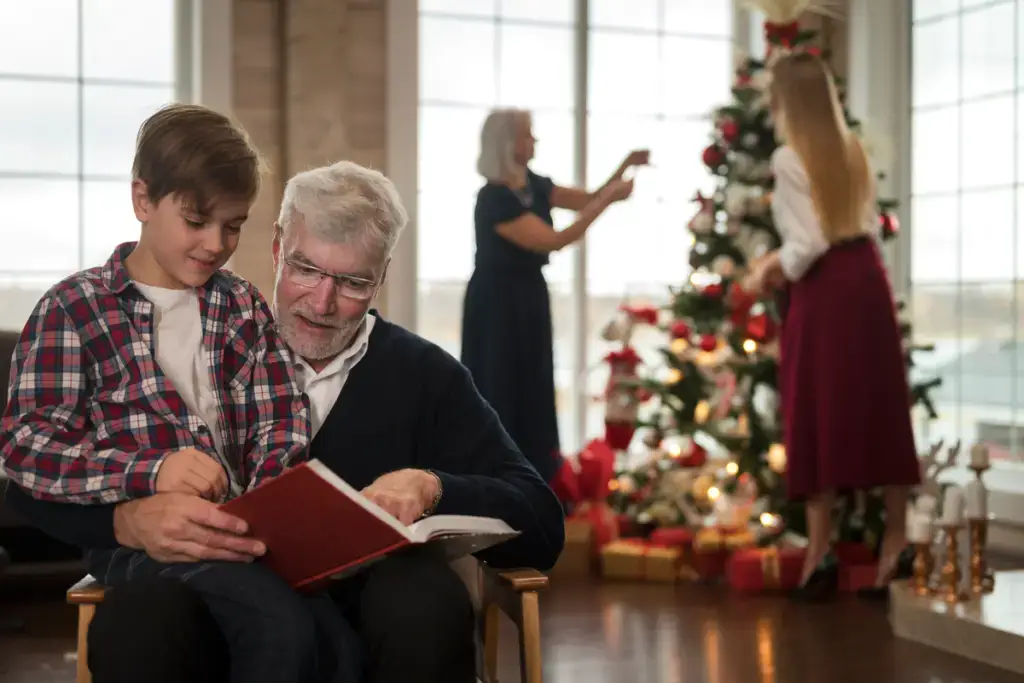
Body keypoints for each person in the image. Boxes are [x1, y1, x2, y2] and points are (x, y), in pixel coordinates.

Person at [4, 160, 566, 683]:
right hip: (206, 600)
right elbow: (29, 488)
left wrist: (433, 486)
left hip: (369, 610)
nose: (321, 302)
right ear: (276, 248)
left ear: (382, 277)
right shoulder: (212, 340)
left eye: (352, 283)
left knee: (423, 596)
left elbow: (540, 520)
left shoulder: (426, 375)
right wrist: (124, 522)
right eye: (305, 268)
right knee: (138, 616)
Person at [0, 104, 359, 682]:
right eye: (197, 220)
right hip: (151, 548)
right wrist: (152, 470)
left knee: (338, 645)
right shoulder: (73, 310)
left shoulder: (241, 304)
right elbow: (28, 449)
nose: (216, 243)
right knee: (278, 626)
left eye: (234, 225)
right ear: (143, 200)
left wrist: (272, 500)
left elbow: (278, 418)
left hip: (248, 536)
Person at [743, 52, 920, 601]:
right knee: (880, 405)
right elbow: (856, 226)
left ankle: (819, 551)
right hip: (867, 278)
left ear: (787, 100)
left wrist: (766, 269)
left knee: (815, 405)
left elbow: (809, 243)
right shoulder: (852, 151)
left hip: (825, 290)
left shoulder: (789, 157)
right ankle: (896, 540)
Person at [461, 107, 648, 482]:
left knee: (533, 384)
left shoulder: (533, 185)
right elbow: (557, 239)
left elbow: (586, 199)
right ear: (507, 144)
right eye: (528, 135)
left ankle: (535, 476)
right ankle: (498, 476)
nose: (535, 141)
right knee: (500, 384)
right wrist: (609, 200)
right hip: (498, 304)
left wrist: (623, 167)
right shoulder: (494, 198)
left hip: (528, 297)